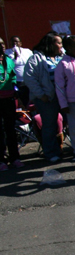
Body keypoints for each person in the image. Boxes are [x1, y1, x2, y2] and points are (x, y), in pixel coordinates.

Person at [23, 32, 64, 162]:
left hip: (64, 97)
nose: (61, 46)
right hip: (47, 99)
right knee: (49, 125)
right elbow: (29, 79)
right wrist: (41, 95)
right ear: (50, 44)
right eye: (58, 43)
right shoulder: (36, 59)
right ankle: (51, 153)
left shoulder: (62, 57)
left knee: (72, 124)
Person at [0, 37, 22, 170]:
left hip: (9, 99)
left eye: (2, 43)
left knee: (11, 129)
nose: (2, 46)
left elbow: (13, 76)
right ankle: (1, 160)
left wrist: (15, 88)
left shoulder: (8, 60)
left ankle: (15, 157)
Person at [5, 36, 32, 108]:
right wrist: (15, 56)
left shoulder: (27, 51)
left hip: (28, 80)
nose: (15, 43)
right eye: (13, 42)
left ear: (20, 43)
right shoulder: (7, 52)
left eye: (16, 41)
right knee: (21, 99)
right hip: (18, 82)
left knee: (30, 99)